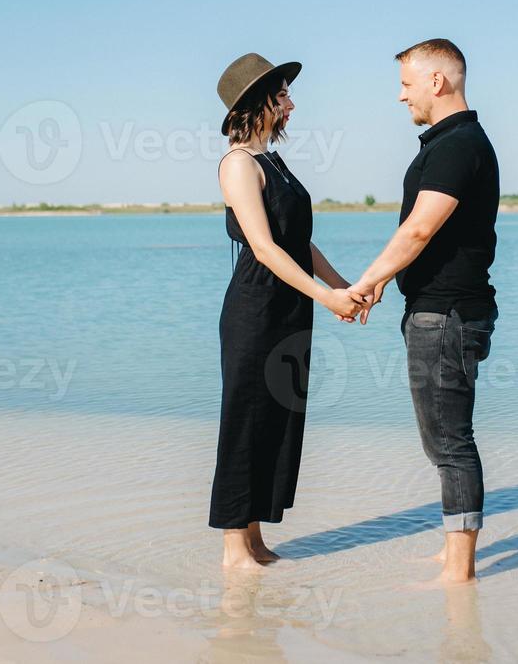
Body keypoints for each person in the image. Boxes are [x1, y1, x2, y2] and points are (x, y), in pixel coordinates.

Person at [349, 38, 499, 584]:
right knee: (439, 438)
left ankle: (460, 571)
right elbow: (416, 232)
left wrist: (366, 283)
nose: (400, 95)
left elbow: (419, 227)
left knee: (452, 442)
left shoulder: (459, 145)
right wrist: (390, 279)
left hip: (449, 314)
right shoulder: (446, 142)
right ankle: (452, 551)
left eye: (407, 83)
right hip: (438, 309)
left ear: (438, 82)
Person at [210, 53, 365, 570]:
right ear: (261, 103)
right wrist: (327, 297)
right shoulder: (239, 164)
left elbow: (299, 243)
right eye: (284, 96)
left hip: (291, 308)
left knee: (276, 420)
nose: (292, 105)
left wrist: (346, 286)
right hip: (256, 308)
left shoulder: (274, 161)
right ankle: (235, 548)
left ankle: (254, 538)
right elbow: (265, 248)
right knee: (245, 420)